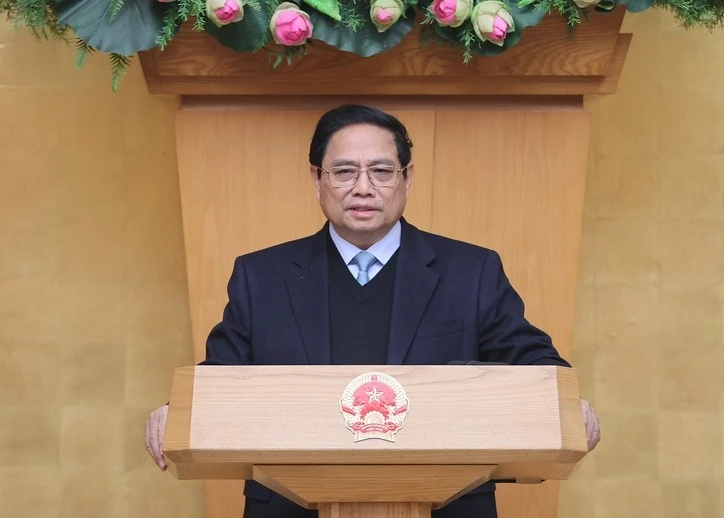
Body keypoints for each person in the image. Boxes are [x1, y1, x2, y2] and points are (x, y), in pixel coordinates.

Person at [145, 103, 601, 518]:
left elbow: (531, 360)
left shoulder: (471, 271)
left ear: (407, 178)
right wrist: (178, 411)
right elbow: (221, 378)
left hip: (447, 505)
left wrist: (564, 405)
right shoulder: (261, 276)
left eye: (381, 171)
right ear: (316, 178)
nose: (363, 188)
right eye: (344, 171)